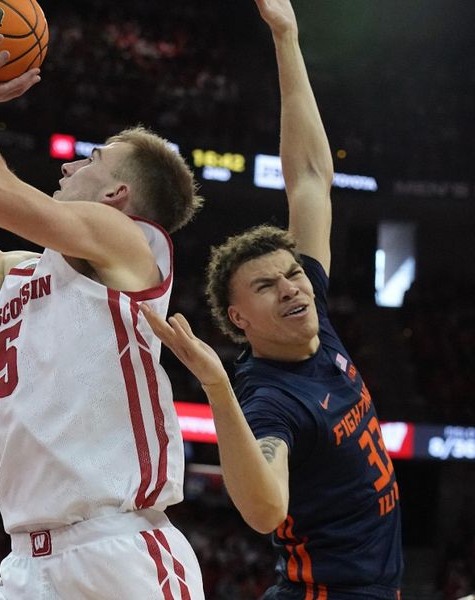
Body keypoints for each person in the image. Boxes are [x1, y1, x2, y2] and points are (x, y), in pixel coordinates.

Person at [0, 1, 205, 597]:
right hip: (26, 563)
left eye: (91, 158)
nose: (68, 162)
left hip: (118, 552)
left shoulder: (128, 244)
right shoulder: (25, 272)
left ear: (117, 194)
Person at [141, 0, 403, 598]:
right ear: (239, 319)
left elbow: (310, 178)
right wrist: (215, 387)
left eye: (292, 274)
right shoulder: (269, 400)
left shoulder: (315, 320)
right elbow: (264, 512)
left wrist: (287, 36)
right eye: (267, 286)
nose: (292, 287)